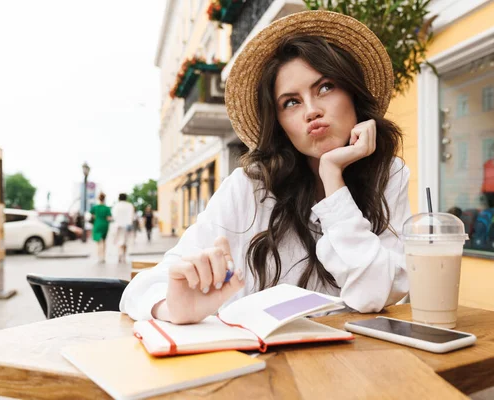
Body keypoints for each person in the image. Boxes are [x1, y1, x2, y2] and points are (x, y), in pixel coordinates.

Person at [120, 10, 411, 324]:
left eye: (325, 87)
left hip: (354, 364)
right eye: (291, 102)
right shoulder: (249, 186)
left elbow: (375, 293)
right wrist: (175, 308)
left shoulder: (388, 175)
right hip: (259, 365)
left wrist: (332, 178)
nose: (312, 111)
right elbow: (139, 290)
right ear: (280, 124)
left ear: (353, 93)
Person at [112, 193, 136, 263]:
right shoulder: (130, 205)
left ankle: (120, 254)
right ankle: (124, 255)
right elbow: (132, 216)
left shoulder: (116, 206)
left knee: (120, 241)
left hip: (118, 226)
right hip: (127, 226)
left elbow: (114, 215)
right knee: (125, 241)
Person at [89, 193, 111, 263]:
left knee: (98, 242)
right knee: (104, 241)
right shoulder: (107, 208)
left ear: (98, 199)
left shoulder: (95, 207)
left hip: (97, 224)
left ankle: (99, 256)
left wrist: (96, 217)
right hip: (105, 225)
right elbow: (109, 218)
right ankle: (103, 257)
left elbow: (91, 215)